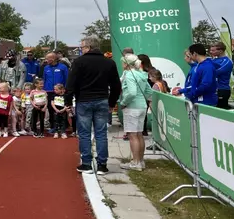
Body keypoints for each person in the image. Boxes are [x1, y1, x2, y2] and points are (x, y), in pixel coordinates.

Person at [65, 37, 122, 175]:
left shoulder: (79, 62)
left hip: (84, 100)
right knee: (101, 133)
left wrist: (67, 102)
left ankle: (86, 164)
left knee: (84, 133)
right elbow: (116, 85)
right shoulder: (109, 62)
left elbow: (71, 84)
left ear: (88, 47)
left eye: (82, 47)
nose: (81, 50)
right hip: (102, 99)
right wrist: (112, 103)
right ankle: (102, 164)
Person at [119, 54, 152, 171]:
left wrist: (123, 102)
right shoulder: (141, 74)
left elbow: (132, 93)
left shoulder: (129, 74)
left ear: (127, 64)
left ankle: (135, 162)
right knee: (139, 134)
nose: (122, 64)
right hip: (142, 106)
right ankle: (140, 161)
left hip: (132, 107)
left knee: (133, 136)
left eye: (123, 62)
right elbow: (149, 91)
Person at [43, 52, 69, 134]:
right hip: (49, 91)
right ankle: (53, 126)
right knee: (51, 110)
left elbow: (67, 78)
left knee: (62, 109)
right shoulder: (46, 68)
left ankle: (64, 126)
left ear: (53, 58)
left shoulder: (63, 67)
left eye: (47, 58)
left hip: (60, 92)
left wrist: (65, 90)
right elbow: (44, 79)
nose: (46, 60)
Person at [210, 42, 233, 109]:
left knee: (220, 112)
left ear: (220, 51)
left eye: (213, 50)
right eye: (210, 50)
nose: (210, 52)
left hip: (222, 90)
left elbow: (215, 73)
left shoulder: (227, 61)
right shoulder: (213, 60)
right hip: (213, 90)